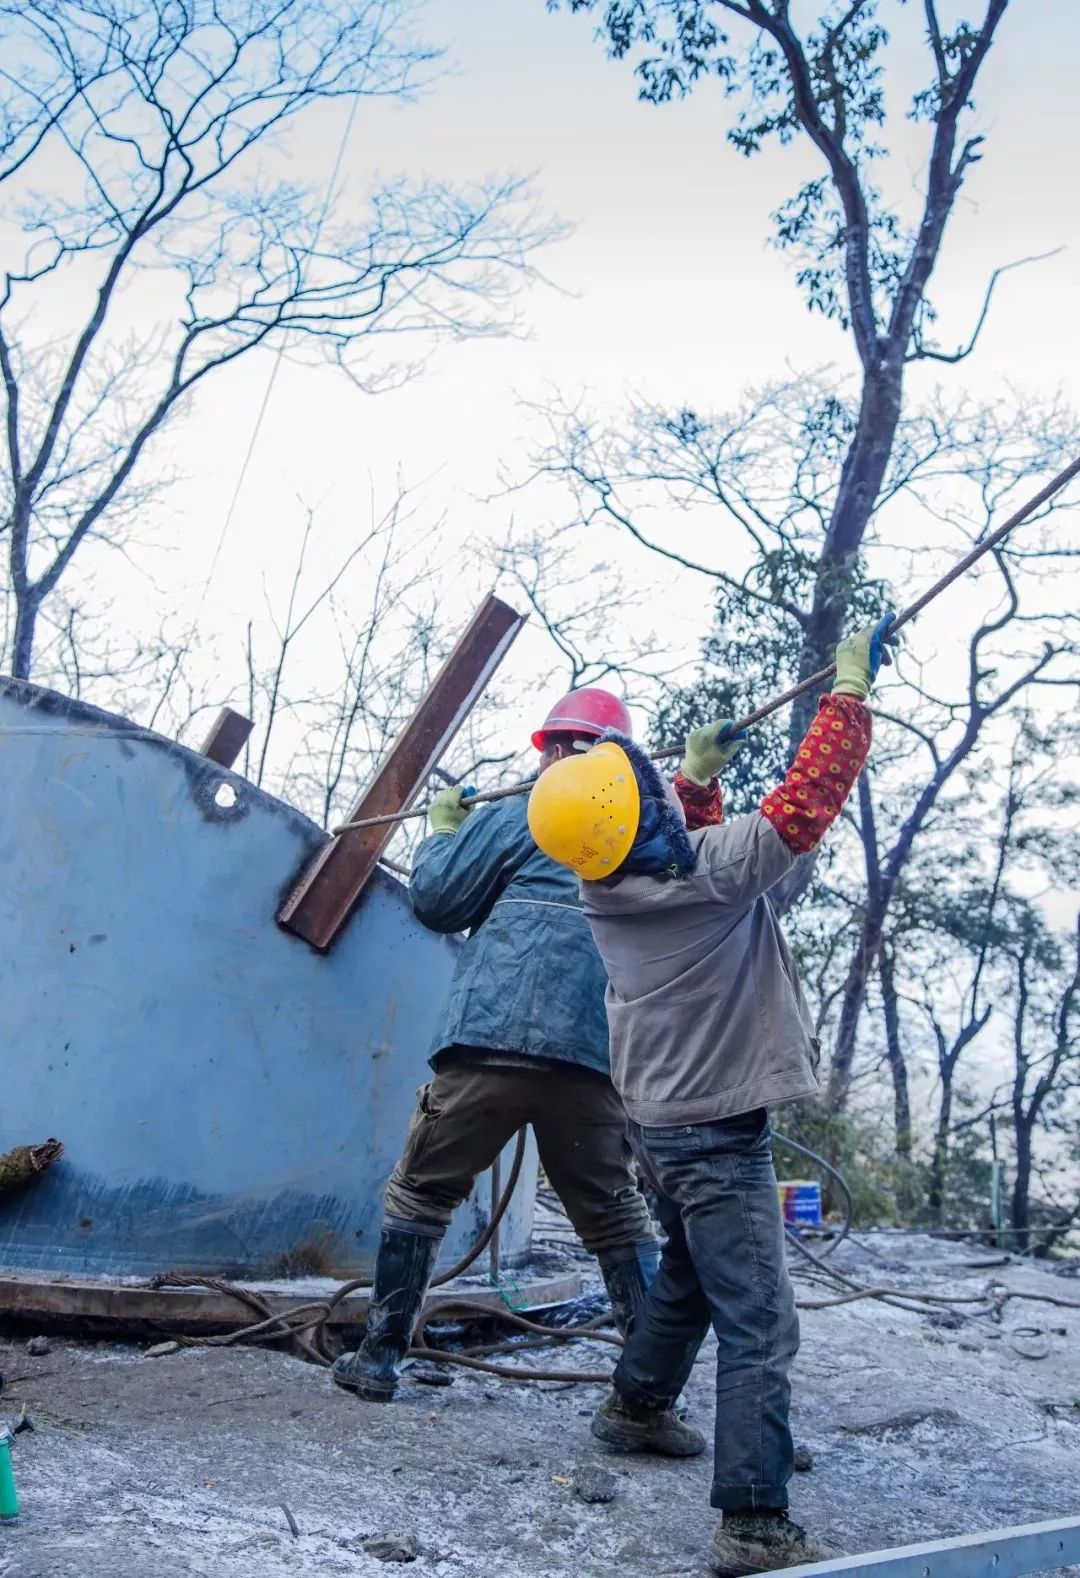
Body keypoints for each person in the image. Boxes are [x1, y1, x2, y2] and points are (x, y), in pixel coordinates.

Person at [528, 616, 896, 1576]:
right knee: (761, 1323)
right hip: (718, 1140)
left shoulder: (605, 886)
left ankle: (634, 1409)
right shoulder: (713, 870)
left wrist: (692, 782)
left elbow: (662, 833)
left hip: (656, 1128)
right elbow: (805, 805)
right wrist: (847, 700)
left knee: (689, 1277)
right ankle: (753, 1519)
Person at [331, 686, 703, 1456]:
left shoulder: (525, 814)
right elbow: (695, 892)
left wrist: (442, 832)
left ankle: (377, 1360)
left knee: (421, 1194)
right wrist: (696, 788)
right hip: (593, 1058)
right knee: (614, 1220)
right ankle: (648, 1404)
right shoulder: (642, 834)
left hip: (488, 1040)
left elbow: (435, 900)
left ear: (555, 750)